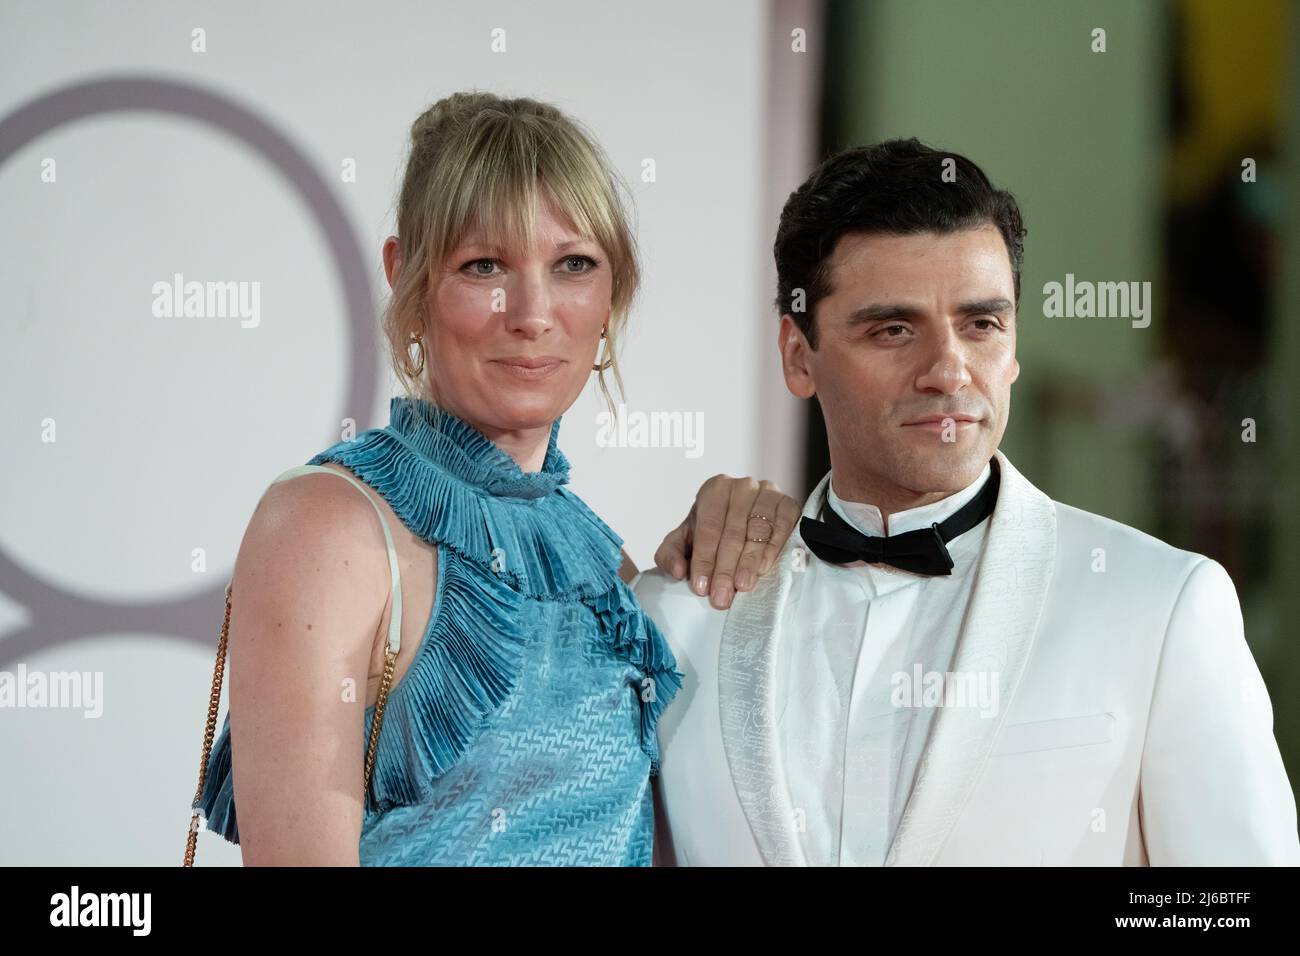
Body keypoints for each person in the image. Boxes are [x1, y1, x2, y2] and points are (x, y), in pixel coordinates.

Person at [637, 138, 1300, 866]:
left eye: (981, 324)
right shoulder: (676, 616)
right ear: (798, 355)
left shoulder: (1163, 605)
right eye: (893, 330)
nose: (948, 369)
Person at [194, 91, 799, 866]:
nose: (533, 314)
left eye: (573, 265)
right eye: (485, 265)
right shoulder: (327, 526)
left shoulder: (600, 565)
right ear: (405, 273)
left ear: (611, 293)